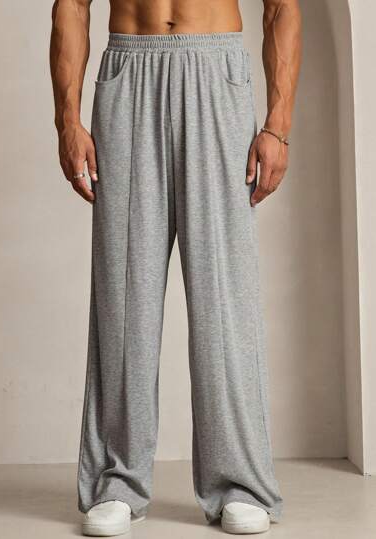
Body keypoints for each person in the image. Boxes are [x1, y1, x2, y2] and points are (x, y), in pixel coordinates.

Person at [50, 0, 301, 535]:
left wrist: (278, 125)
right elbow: (70, 5)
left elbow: (282, 6)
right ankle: (116, 482)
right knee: (124, 295)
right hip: (128, 72)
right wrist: (67, 120)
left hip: (215, 71)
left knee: (223, 296)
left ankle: (240, 484)